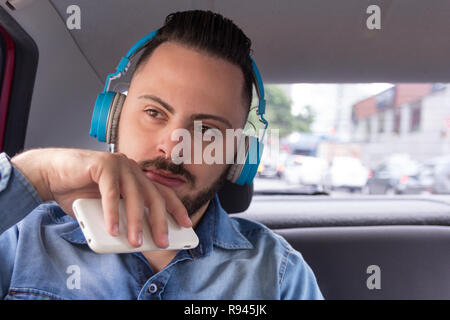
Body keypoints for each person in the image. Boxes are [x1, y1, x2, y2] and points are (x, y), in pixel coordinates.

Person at [0, 10, 323, 300]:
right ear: (112, 120)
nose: (172, 148)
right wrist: (35, 173)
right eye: (154, 112)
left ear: (238, 155)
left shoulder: (279, 274)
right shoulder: (21, 238)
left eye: (207, 130)